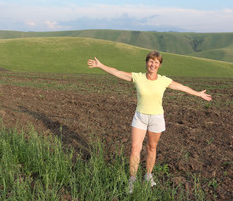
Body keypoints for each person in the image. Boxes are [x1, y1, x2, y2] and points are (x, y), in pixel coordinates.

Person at [87, 51, 212, 193]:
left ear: (159, 65)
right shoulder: (138, 77)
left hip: (156, 118)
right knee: (135, 148)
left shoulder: (163, 80)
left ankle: (148, 175)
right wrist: (100, 65)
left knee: (152, 147)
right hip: (140, 117)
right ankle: (132, 180)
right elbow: (118, 72)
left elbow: (181, 87)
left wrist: (198, 94)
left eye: (156, 62)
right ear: (147, 62)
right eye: (151, 61)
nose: (153, 64)